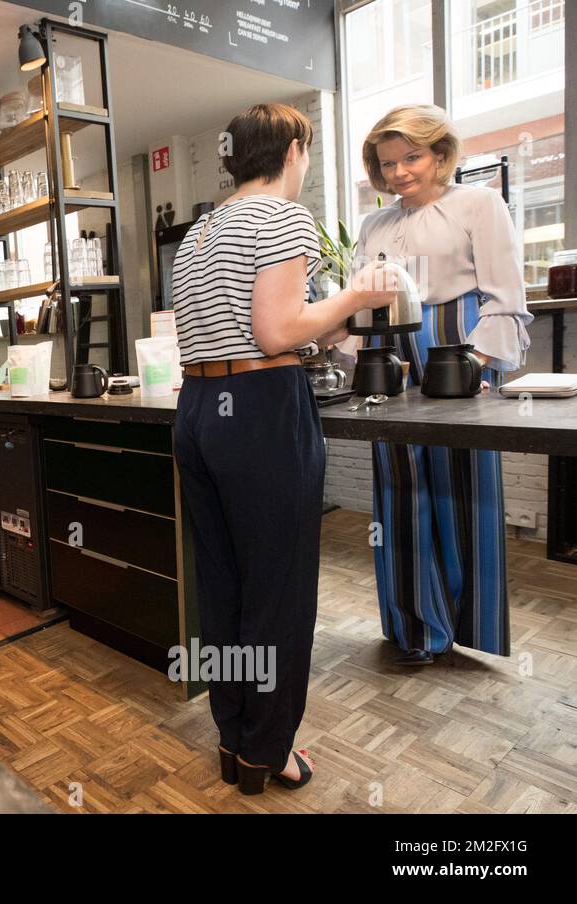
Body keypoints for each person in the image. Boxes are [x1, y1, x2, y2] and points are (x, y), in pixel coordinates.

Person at [172, 103, 395, 795]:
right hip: (261, 417)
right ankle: (269, 752)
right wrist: (357, 293)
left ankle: (236, 738)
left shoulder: (201, 230)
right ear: (293, 149)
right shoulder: (282, 217)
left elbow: (250, 334)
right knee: (278, 590)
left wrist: (318, 332)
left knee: (225, 585)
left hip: (200, 409)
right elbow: (274, 333)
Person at [354, 104, 532, 666]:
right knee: (400, 490)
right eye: (387, 164)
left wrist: (474, 364)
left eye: (412, 157)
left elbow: (505, 298)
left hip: (460, 354)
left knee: (461, 489)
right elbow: (365, 306)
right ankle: (414, 629)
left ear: (440, 154)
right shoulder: (373, 225)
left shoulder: (479, 204)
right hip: (393, 356)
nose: (400, 172)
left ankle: (466, 626)